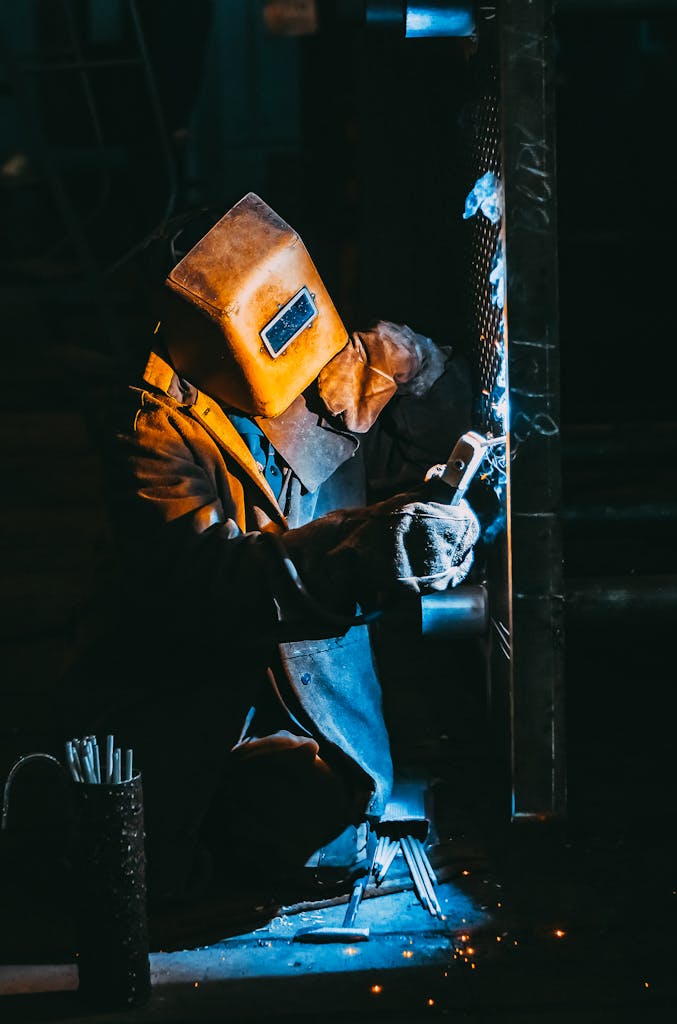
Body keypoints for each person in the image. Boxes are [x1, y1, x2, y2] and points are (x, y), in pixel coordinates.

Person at [98, 193, 479, 906]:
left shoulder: (313, 355)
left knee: (332, 817)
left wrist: (424, 376)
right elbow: (215, 581)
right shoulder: (151, 435)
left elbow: (417, 442)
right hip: (222, 709)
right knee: (248, 845)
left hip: (329, 701)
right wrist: (368, 548)